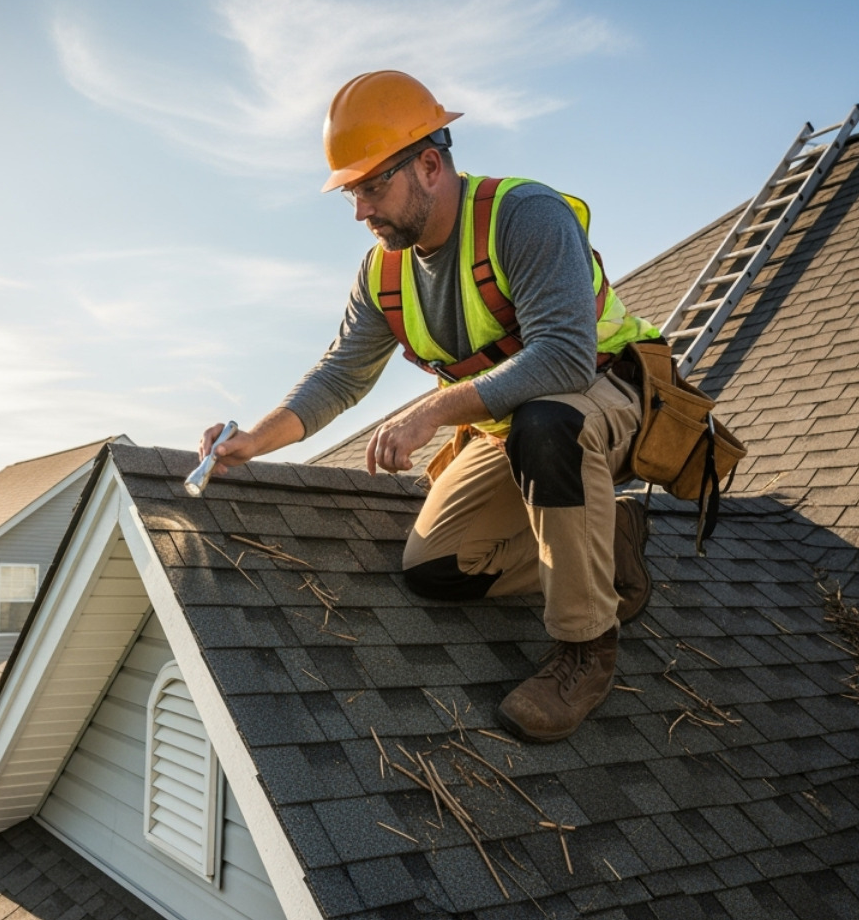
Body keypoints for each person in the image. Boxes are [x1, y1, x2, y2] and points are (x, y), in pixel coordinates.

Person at [198, 70, 661, 743]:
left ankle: (586, 649)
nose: (361, 211)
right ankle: (611, 540)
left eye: (372, 187)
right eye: (352, 194)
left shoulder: (524, 216)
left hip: (607, 395)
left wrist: (434, 412)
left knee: (550, 423)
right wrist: (253, 442)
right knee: (438, 568)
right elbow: (339, 377)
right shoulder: (384, 273)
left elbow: (563, 355)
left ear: (430, 164)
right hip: (513, 431)